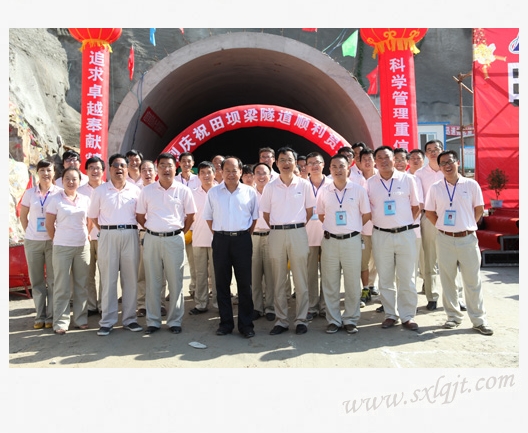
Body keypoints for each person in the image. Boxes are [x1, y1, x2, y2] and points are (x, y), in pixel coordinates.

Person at [424, 150, 493, 335]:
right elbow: (429, 212)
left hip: (467, 239)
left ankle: (479, 320)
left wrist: (467, 225)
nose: (447, 165)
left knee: (473, 281)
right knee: (448, 280)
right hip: (444, 239)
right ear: (439, 167)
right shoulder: (435, 188)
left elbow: (479, 209)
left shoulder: (471, 185)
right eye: (443, 163)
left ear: (458, 163)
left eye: (450, 161)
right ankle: (453, 317)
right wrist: (443, 227)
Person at [136, 153, 196, 334]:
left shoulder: (183, 191)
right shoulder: (147, 191)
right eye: (162, 165)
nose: (166, 169)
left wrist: (178, 232)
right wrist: (153, 229)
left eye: (169, 165)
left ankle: (175, 321)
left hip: (174, 239)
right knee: (153, 281)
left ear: (175, 168)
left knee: (175, 281)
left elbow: (191, 216)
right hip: (152, 239)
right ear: (157, 169)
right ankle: (153, 321)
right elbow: (140, 216)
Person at [260, 146, 316, 335]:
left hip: (298, 232)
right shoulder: (270, 187)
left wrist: (295, 226)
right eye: (282, 160)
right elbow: (266, 214)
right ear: (276, 163)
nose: (286, 163)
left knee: (301, 278)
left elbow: (309, 211)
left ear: (295, 162)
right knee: (278, 279)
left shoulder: (304, 185)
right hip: (276, 233)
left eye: (289, 160)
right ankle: (281, 320)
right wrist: (279, 226)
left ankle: (301, 319)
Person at [88, 153, 143, 336]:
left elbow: (140, 215)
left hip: (130, 234)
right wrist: (107, 229)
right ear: (109, 169)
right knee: (108, 279)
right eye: (115, 166)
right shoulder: (100, 191)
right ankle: (107, 321)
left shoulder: (135, 190)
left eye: (122, 166)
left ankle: (130, 319)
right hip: (108, 235)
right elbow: (93, 217)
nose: (119, 169)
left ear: (127, 169)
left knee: (130, 279)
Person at [203, 156, 258, 338]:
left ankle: (246, 325)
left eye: (234, 170)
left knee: (245, 284)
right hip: (221, 240)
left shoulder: (249, 192)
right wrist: (221, 234)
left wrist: (242, 235)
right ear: (221, 172)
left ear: (241, 172)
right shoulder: (213, 193)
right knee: (222, 283)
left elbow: (254, 218)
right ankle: (225, 323)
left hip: (242, 240)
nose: (231, 174)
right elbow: (208, 217)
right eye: (227, 170)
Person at [367, 146, 421, 331]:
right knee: (385, 277)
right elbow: (368, 209)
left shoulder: (408, 179)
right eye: (379, 158)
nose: (383, 161)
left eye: (387, 157)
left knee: (407, 277)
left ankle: (408, 316)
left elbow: (416, 207)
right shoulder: (370, 183)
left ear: (395, 159)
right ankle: (391, 314)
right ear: (375, 162)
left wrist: (402, 223)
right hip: (381, 235)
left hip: (405, 234)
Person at [317, 154, 371, 334]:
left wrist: (352, 228)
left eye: (341, 166)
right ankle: (333, 319)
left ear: (348, 168)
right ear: (329, 169)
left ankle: (350, 319)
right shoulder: (324, 191)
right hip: (330, 241)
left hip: (352, 241)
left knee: (352, 282)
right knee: (330, 282)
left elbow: (366, 214)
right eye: (334, 167)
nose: (338, 170)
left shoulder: (358, 190)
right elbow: (321, 215)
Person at [45, 167, 91, 334]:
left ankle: (80, 319)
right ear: (62, 181)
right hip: (62, 247)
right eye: (67, 179)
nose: (71, 182)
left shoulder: (85, 199)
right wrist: (58, 239)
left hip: (82, 247)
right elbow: (49, 224)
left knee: (82, 284)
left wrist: (84, 236)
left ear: (79, 181)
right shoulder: (55, 199)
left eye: (74, 179)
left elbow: (89, 222)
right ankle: (61, 322)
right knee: (61, 285)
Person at [19, 159, 62, 329]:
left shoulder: (59, 193)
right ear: (37, 172)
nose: (46, 173)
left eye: (49, 170)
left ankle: (51, 316)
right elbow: (23, 216)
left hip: (53, 241)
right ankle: (40, 316)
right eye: (42, 170)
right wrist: (29, 232)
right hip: (33, 242)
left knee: (53, 280)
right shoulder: (30, 193)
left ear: (54, 172)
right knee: (36, 280)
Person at [414, 139, 445, 310]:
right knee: (429, 257)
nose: (433, 152)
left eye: (436, 149)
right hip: (429, 217)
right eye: (429, 150)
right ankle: (432, 296)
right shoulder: (419, 174)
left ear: (442, 150)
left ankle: (457, 296)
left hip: (449, 218)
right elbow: (419, 200)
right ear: (426, 154)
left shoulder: (448, 169)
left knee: (451, 258)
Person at [136, 160, 168, 317]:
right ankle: (142, 304)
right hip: (143, 233)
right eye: (144, 170)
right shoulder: (134, 190)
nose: (147, 173)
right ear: (139, 173)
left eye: (150, 170)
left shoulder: (161, 189)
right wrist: (147, 227)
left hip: (160, 234)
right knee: (142, 271)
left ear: (156, 172)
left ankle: (159, 303)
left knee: (160, 271)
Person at [78, 156, 105, 316]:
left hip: (104, 237)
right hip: (85, 238)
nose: (95, 171)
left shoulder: (108, 189)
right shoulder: (79, 191)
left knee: (105, 273)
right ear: (86, 171)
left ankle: (103, 305)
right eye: (91, 168)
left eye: (98, 168)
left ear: (103, 171)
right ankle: (90, 305)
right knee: (87, 273)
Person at [189, 161, 217, 315]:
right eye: (202, 173)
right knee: (200, 274)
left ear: (214, 173)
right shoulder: (192, 193)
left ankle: (219, 303)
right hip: (198, 238)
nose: (206, 176)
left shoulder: (221, 191)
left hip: (217, 240)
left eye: (209, 172)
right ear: (198, 176)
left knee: (217, 274)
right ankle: (201, 303)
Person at [250, 162, 275, 321]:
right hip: (253, 237)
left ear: (270, 176)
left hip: (271, 235)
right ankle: (256, 307)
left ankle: (271, 307)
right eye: (258, 173)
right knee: (254, 275)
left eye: (264, 173)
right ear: (253, 176)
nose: (261, 176)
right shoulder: (248, 193)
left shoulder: (274, 192)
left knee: (271, 275)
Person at [305, 151, 327, 320]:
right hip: (308, 235)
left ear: (323, 165)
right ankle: (312, 306)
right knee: (310, 273)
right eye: (310, 163)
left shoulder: (332, 183)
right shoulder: (302, 185)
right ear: (306, 167)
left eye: (317, 162)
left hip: (328, 235)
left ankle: (326, 305)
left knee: (328, 272)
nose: (314, 166)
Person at [177, 151, 200, 299]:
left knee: (194, 262)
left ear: (193, 164)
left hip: (193, 226)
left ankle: (194, 288)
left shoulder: (198, 180)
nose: (186, 164)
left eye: (189, 161)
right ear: (179, 164)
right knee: (176, 262)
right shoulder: (173, 180)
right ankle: (175, 290)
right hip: (177, 226)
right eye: (183, 161)